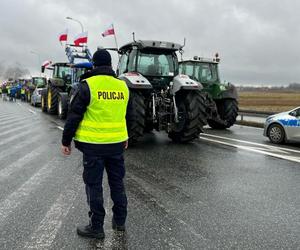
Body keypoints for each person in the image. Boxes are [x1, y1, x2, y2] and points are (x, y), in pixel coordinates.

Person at [61, 49, 133, 240]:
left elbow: (73, 116)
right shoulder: (123, 86)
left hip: (93, 147)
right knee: (117, 183)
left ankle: (96, 227)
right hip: (117, 145)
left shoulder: (87, 86)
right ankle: (119, 222)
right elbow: (129, 116)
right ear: (110, 65)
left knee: (94, 185)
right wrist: (126, 136)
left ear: (94, 64)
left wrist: (65, 141)